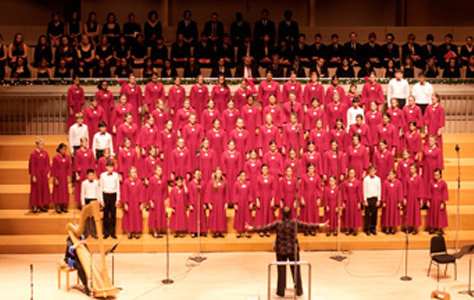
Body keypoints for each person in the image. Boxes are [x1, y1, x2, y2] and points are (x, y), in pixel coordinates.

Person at [246, 206, 327, 297]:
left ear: (282, 214)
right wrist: (321, 225)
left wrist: (251, 228)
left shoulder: (278, 223)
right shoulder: (294, 223)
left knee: (281, 271)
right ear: (290, 214)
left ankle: (281, 291)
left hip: (281, 250)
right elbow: (307, 225)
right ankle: (299, 290)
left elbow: (265, 228)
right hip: (293, 250)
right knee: (296, 270)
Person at [121, 166, 145, 239]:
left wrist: (141, 203)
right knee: (129, 217)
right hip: (129, 202)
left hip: (137, 202)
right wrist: (125, 203)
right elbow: (124, 193)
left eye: (135, 172)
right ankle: (130, 232)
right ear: (129, 174)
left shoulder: (139, 181)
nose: (134, 174)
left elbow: (141, 193)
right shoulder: (126, 182)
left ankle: (137, 232)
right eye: (132, 172)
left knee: (137, 217)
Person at [299, 162, 322, 235]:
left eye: (312, 168)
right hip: (306, 196)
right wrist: (301, 198)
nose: (311, 170)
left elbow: (319, 188)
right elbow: (301, 188)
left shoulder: (317, 177)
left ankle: (313, 229)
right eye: (310, 168)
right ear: (307, 169)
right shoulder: (303, 177)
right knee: (306, 213)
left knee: (313, 213)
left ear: (314, 169)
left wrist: (318, 198)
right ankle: (306, 229)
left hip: (314, 197)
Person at [29, 137, 51, 213]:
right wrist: (33, 175)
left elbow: (47, 163)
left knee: (43, 189)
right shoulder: (33, 154)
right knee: (36, 190)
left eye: (43, 144)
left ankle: (42, 206)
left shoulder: (45, 153)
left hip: (44, 174)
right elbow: (32, 165)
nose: (43, 145)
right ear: (37, 145)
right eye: (41, 144)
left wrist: (48, 173)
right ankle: (35, 207)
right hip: (37, 175)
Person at [205, 167, 227, 238]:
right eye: (217, 173)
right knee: (214, 216)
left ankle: (220, 231)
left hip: (221, 201)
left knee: (221, 216)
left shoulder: (224, 181)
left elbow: (226, 193)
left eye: (220, 173)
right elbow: (208, 193)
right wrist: (209, 203)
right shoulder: (211, 182)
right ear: (215, 174)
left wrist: (226, 202)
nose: (219, 174)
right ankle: (214, 231)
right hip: (214, 202)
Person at [426, 169, 449, 235]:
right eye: (434, 175)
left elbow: (445, 193)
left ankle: (440, 229)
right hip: (433, 201)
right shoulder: (431, 182)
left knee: (440, 215)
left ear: (440, 175)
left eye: (437, 175)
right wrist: (428, 200)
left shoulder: (443, 183)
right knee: (432, 214)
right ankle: (432, 228)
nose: (435, 176)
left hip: (439, 201)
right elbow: (429, 191)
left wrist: (443, 202)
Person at [74, 137, 95, 207]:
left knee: (89, 188)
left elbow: (92, 162)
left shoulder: (90, 151)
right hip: (81, 172)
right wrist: (77, 174)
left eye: (86, 142)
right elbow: (76, 164)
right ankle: (82, 204)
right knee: (81, 188)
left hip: (89, 172)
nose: (85, 144)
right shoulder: (78, 152)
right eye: (84, 142)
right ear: (81, 143)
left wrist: (92, 173)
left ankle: (89, 204)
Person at [381, 169, 403, 234]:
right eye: (389, 174)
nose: (390, 176)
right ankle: (387, 228)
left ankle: (393, 228)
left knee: (394, 214)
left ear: (395, 175)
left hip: (395, 201)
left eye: (392, 174)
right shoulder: (385, 182)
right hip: (387, 201)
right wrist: (384, 201)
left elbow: (400, 192)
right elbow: (383, 192)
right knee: (387, 214)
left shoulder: (398, 183)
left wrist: (399, 202)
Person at [403, 163, 423, 234]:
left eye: (413, 169)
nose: (411, 170)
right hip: (409, 196)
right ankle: (409, 227)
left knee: (415, 212)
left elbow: (420, 189)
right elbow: (405, 188)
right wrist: (404, 198)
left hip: (416, 197)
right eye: (410, 168)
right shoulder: (407, 177)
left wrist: (420, 199)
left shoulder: (419, 178)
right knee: (409, 212)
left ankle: (415, 228)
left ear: (415, 169)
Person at [232, 171, 253, 238]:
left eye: (244, 175)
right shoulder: (236, 184)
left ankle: (247, 231)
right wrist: (235, 204)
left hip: (246, 202)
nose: (243, 177)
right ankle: (239, 231)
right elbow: (234, 194)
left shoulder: (249, 183)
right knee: (239, 216)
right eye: (242, 175)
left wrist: (251, 202)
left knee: (247, 216)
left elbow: (250, 193)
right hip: (239, 202)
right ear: (239, 177)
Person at [188, 169, 208, 238]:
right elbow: (190, 194)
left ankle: (202, 230)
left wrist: (205, 203)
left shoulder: (203, 183)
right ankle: (193, 231)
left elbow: (206, 193)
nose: (198, 175)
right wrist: (190, 204)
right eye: (197, 174)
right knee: (193, 217)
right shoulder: (191, 183)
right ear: (194, 175)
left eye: (200, 174)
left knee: (202, 217)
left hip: (201, 202)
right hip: (194, 203)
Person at [363, 165, 381, 236]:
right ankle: (367, 228)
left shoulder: (378, 179)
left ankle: (373, 228)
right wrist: (365, 200)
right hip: (368, 198)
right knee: (367, 214)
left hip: (375, 198)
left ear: (375, 171)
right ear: (368, 171)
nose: (372, 172)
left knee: (374, 214)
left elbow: (379, 189)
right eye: (371, 171)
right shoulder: (366, 179)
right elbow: (364, 189)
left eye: (373, 171)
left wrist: (379, 199)